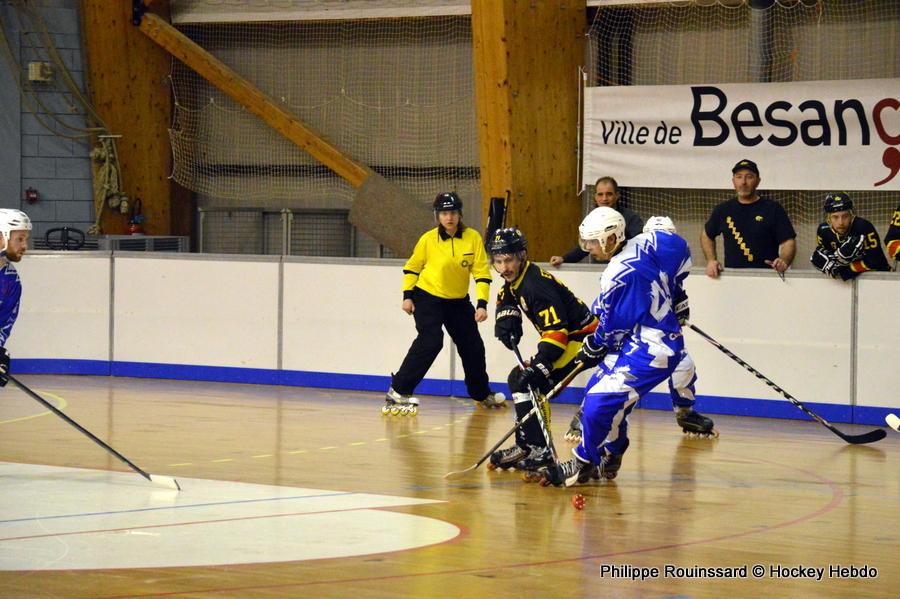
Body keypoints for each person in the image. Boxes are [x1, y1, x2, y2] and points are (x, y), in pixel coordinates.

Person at [543, 207, 713, 487]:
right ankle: (614, 449)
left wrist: (593, 346)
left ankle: (582, 463)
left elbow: (612, 328)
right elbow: (676, 246)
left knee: (598, 403)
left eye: (593, 241)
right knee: (596, 392)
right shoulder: (646, 242)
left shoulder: (617, 273)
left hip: (652, 347)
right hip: (640, 339)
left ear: (612, 238)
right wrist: (677, 294)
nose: (588, 248)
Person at [487, 228, 598, 474]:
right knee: (519, 378)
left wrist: (542, 363)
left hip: (582, 340)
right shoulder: (517, 281)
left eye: (509, 260)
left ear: (522, 256)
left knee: (530, 382)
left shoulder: (534, 285)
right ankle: (527, 445)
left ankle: (540, 450)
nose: (504, 267)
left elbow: (558, 331)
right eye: (498, 261)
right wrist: (506, 317)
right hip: (568, 338)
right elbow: (505, 296)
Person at [384, 192, 505, 415]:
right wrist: (407, 296)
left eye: (453, 213)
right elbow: (412, 267)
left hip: (458, 301)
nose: (449, 217)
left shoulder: (472, 238)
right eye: (444, 213)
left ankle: (480, 393)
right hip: (427, 296)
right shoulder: (428, 239)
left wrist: (482, 304)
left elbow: (481, 273)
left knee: (473, 346)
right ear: (438, 216)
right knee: (431, 340)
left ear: (460, 214)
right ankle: (399, 390)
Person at [701, 159, 796, 279]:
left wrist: (784, 261)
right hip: (733, 278)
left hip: (769, 279)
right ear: (733, 181)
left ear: (758, 181)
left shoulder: (773, 209)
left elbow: (788, 241)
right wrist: (711, 261)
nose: (743, 182)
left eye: (749, 177)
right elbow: (706, 235)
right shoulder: (723, 210)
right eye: (739, 177)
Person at [549, 177, 642, 267]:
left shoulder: (631, 218)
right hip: (598, 270)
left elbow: (639, 245)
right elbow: (584, 247)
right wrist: (564, 259)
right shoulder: (592, 218)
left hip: (626, 267)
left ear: (617, 195)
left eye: (609, 194)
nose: (604, 198)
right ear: (595, 196)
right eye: (600, 194)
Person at [810, 193, 890, 280]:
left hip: (880, 277)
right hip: (841, 284)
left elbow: (876, 261)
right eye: (835, 217)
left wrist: (846, 271)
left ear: (851, 215)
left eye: (845, 216)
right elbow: (826, 260)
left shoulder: (863, 226)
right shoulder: (823, 230)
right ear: (828, 218)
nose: (841, 222)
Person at [0, 209, 32, 388]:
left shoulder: (11, 281)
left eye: (25, 239)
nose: (25, 245)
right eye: (20, 239)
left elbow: (3, 326)